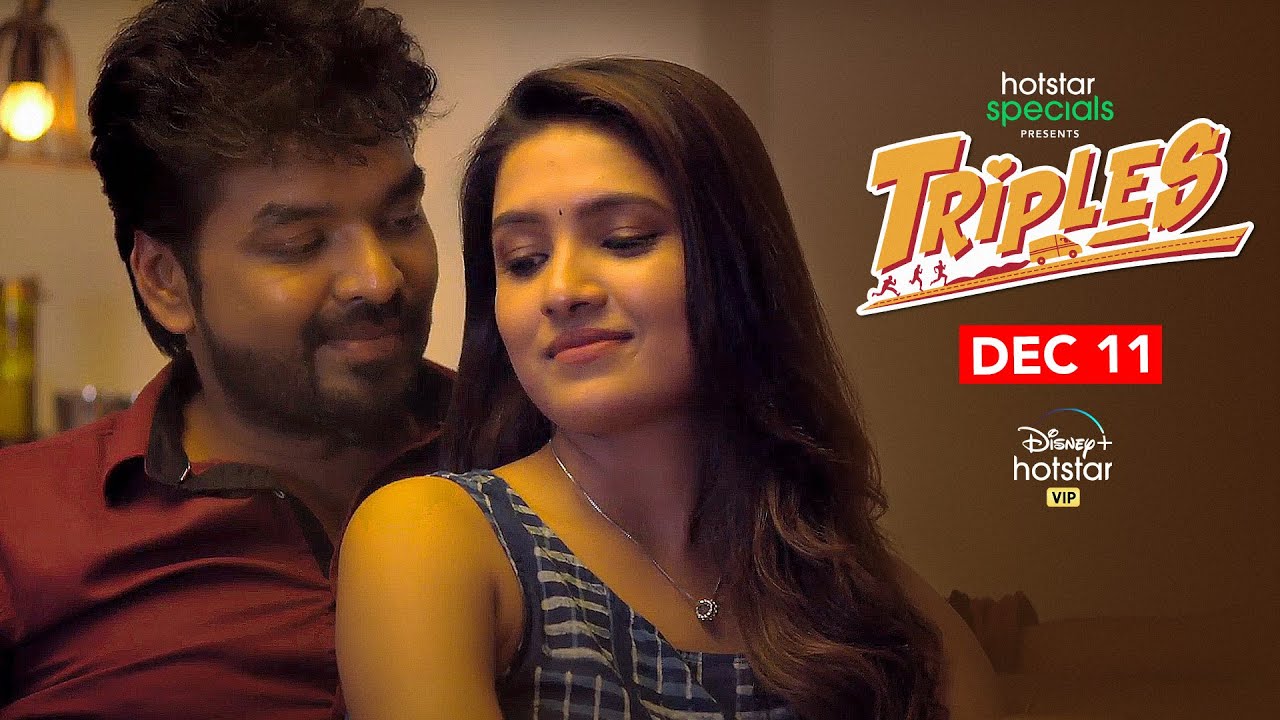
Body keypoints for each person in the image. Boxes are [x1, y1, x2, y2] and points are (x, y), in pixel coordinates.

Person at [337, 58, 997, 719]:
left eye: (624, 240)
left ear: (736, 261)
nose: (562, 291)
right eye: (524, 261)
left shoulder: (880, 608)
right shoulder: (434, 539)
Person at [0, 1, 446, 718]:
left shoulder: (537, 453)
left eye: (401, 220)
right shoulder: (20, 518)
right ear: (165, 281)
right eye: (300, 244)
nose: (377, 278)